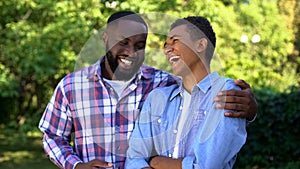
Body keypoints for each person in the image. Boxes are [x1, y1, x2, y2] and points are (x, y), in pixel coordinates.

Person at [38, 11, 256, 169]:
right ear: (105, 39)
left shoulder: (163, 84)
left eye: (140, 45)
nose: (131, 52)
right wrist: (76, 166)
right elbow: (51, 135)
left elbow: (197, 86)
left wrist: (251, 110)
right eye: (123, 43)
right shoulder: (71, 87)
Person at [125, 16, 247, 169]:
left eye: (175, 41)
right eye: (165, 44)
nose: (167, 49)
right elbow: (134, 158)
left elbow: (207, 166)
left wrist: (158, 162)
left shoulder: (227, 92)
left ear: (201, 45)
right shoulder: (157, 98)